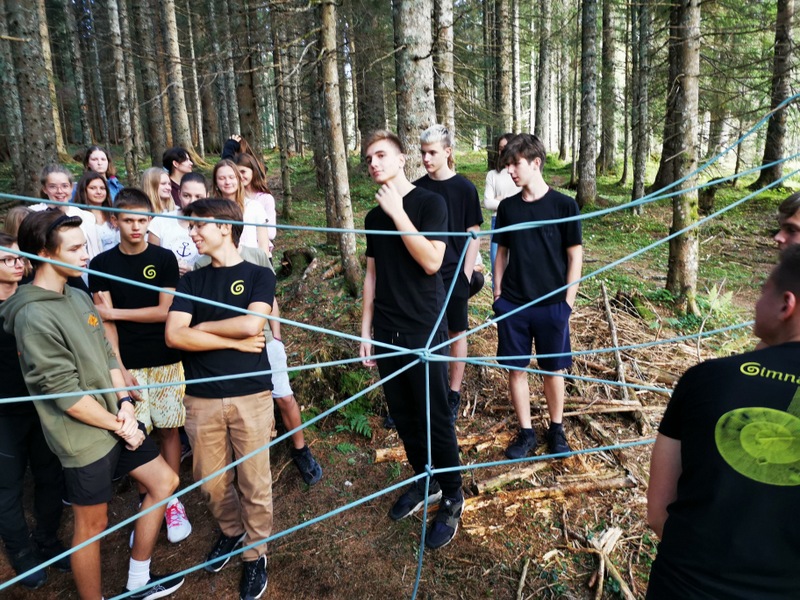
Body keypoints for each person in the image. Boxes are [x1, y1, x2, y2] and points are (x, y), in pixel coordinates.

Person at [0, 209, 184, 600]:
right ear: (44, 254)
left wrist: (125, 403)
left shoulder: (78, 294)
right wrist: (121, 425)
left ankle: (138, 581)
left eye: (84, 245)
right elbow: (64, 394)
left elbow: (106, 354)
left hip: (115, 420)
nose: (86, 254)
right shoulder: (32, 315)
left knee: (165, 482)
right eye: (75, 248)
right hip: (83, 439)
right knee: (92, 525)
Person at [646, 245, 800, 599]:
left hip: (684, 587)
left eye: (763, 290)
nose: (756, 302)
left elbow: (657, 513)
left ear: (785, 305)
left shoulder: (706, 378)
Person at [165, 198, 274, 600]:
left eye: (199, 226)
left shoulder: (259, 274)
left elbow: (252, 323)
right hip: (201, 398)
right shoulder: (192, 281)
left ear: (225, 227)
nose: (192, 233)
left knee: (254, 481)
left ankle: (255, 553)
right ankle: (232, 531)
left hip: (251, 395)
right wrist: (230, 338)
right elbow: (174, 336)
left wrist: (201, 328)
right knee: (209, 482)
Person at [359, 130, 463, 550]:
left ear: (402, 160)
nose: (373, 163)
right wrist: (366, 331)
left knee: (434, 416)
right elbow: (371, 275)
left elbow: (432, 262)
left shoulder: (429, 204)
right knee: (403, 415)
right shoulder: (372, 217)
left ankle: (452, 494)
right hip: (386, 329)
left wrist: (399, 213)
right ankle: (427, 480)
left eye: (381, 155)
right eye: (368, 158)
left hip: (424, 327)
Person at [89, 189, 192, 545]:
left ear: (150, 221)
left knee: (170, 429)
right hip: (128, 363)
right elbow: (105, 324)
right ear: (114, 221)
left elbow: (165, 311)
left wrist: (114, 311)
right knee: (138, 436)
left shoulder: (163, 258)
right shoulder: (101, 264)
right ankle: (147, 499)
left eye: (142, 220)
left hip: (166, 359)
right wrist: (119, 367)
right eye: (128, 220)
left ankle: (172, 499)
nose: (136, 227)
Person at [194, 245, 322, 486]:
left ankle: (301, 449)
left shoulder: (256, 256)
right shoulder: (201, 264)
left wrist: (276, 336)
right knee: (239, 405)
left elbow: (270, 298)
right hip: (228, 344)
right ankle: (241, 463)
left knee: (284, 397)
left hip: (265, 339)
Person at [493, 133, 582, 459]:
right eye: (507, 165)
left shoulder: (564, 206)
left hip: (552, 306)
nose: (510, 171)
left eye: (515, 164)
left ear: (536, 163)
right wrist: (498, 295)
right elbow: (501, 252)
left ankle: (556, 430)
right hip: (513, 304)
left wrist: (567, 303)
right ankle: (526, 432)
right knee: (516, 369)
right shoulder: (508, 207)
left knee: (552, 369)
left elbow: (575, 256)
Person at [0, 233, 70, 589]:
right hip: (4, 414)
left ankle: (48, 539)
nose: (17, 264)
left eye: (18, 257)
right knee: (7, 486)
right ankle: (22, 553)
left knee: (50, 475)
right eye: (6, 259)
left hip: (43, 406)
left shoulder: (33, 297)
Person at [414, 124, 483, 423]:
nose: (426, 159)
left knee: (456, 331)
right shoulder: (417, 188)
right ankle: (428, 394)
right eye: (423, 153)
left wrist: (465, 276)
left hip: (454, 272)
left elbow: (473, 235)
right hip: (424, 273)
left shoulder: (465, 188)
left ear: (447, 152)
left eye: (432, 152)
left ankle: (453, 394)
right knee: (425, 334)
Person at [149, 172, 207, 275]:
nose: (192, 201)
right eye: (186, 196)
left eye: (198, 197)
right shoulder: (160, 221)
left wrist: (192, 269)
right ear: (179, 194)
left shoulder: (213, 225)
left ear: (207, 196)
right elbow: (151, 259)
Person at [212, 159, 271, 254]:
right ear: (216, 182)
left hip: (251, 260)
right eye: (222, 178)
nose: (227, 182)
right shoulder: (210, 210)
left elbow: (263, 244)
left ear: (239, 179)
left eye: (231, 177)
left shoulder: (254, 206)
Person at [484, 133, 520, 285]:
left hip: (519, 221)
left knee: (518, 267)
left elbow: (524, 201)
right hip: (497, 222)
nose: (503, 151)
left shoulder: (520, 173)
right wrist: (510, 201)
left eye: (506, 147)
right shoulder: (492, 175)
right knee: (497, 268)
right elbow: (487, 203)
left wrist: (500, 200)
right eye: (500, 148)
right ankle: (498, 297)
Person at [234, 153, 277, 255]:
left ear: (253, 171)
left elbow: (271, 233)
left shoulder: (266, 198)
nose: (240, 176)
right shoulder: (232, 197)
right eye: (236, 173)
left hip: (260, 253)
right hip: (237, 253)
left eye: (243, 172)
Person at [75, 171, 119, 253]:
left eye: (102, 188)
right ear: (83, 190)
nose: (99, 192)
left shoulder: (114, 214)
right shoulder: (78, 216)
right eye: (93, 188)